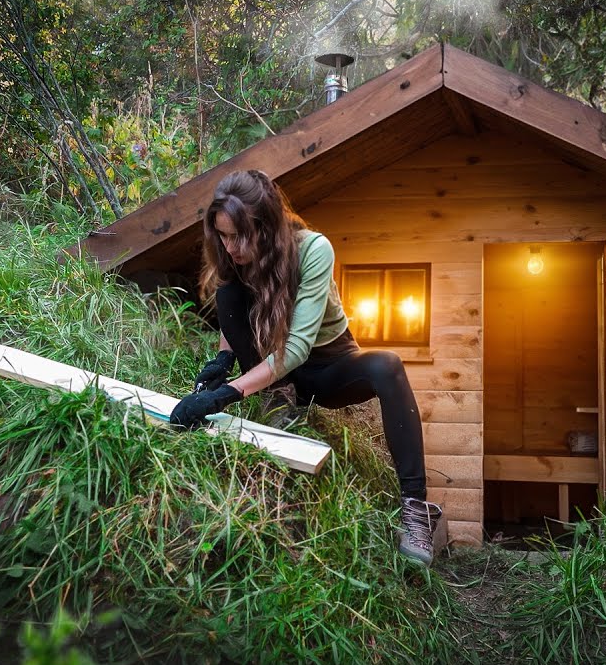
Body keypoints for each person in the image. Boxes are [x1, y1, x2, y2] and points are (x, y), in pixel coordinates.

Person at [169, 169, 443, 566]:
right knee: (227, 293)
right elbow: (233, 315)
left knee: (388, 365)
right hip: (276, 372)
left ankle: (416, 511)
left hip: (326, 366)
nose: (230, 247)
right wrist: (222, 360)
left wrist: (225, 395)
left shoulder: (314, 249)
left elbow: (297, 348)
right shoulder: (233, 258)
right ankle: (278, 402)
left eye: (239, 236)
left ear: (266, 226)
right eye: (223, 236)